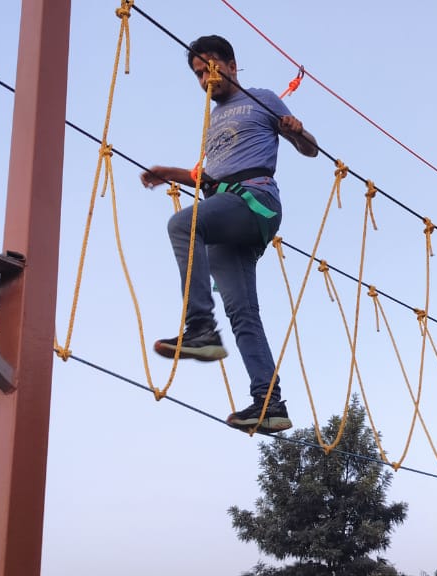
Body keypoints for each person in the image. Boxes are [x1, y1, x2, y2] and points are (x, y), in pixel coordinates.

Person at [140, 35, 319, 434]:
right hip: (225, 216)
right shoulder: (212, 122)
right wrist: (169, 173)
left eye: (211, 68)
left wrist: (296, 130)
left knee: (181, 224)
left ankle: (200, 326)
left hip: (255, 201)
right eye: (198, 74)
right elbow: (209, 178)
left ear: (232, 66)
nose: (206, 79)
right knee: (242, 314)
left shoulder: (261, 99)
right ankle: (270, 404)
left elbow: (311, 150)